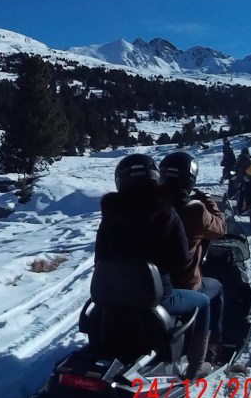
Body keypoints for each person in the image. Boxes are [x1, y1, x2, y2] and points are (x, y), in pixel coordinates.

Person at [95, 153, 213, 379]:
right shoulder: (165, 208)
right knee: (204, 302)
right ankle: (196, 366)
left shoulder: (110, 213)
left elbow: (99, 257)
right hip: (156, 297)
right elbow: (181, 256)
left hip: (113, 295)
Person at [160, 151, 227, 357]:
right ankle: (210, 346)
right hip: (183, 284)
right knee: (216, 288)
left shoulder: (149, 205)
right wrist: (207, 200)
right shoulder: (195, 210)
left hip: (149, 283)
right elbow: (220, 228)